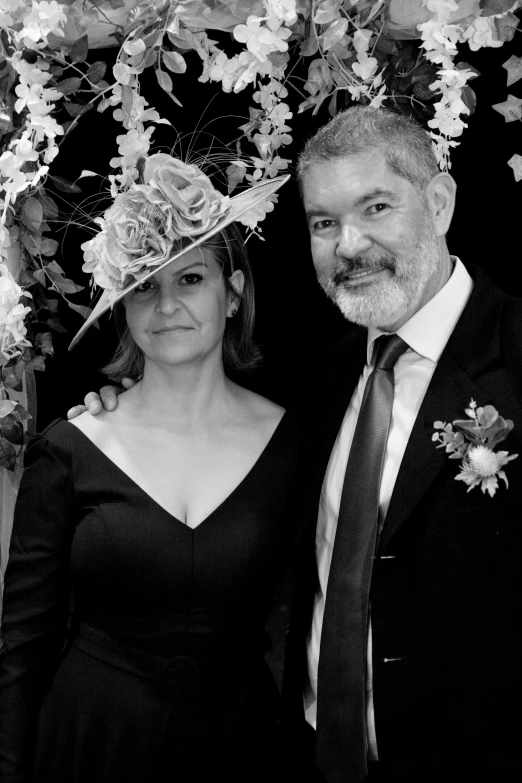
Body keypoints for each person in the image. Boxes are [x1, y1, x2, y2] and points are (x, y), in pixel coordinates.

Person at [68, 107, 522, 781]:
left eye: (375, 207)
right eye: (323, 223)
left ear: (440, 200)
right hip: (307, 752)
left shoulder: (515, 357)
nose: (349, 244)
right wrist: (120, 417)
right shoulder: (326, 374)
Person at [0, 154, 299, 783]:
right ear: (123, 307)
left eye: (190, 279)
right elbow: (20, 655)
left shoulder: (295, 445)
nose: (166, 306)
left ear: (233, 291)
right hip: (89, 746)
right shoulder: (70, 449)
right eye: (144, 286)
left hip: (239, 750)